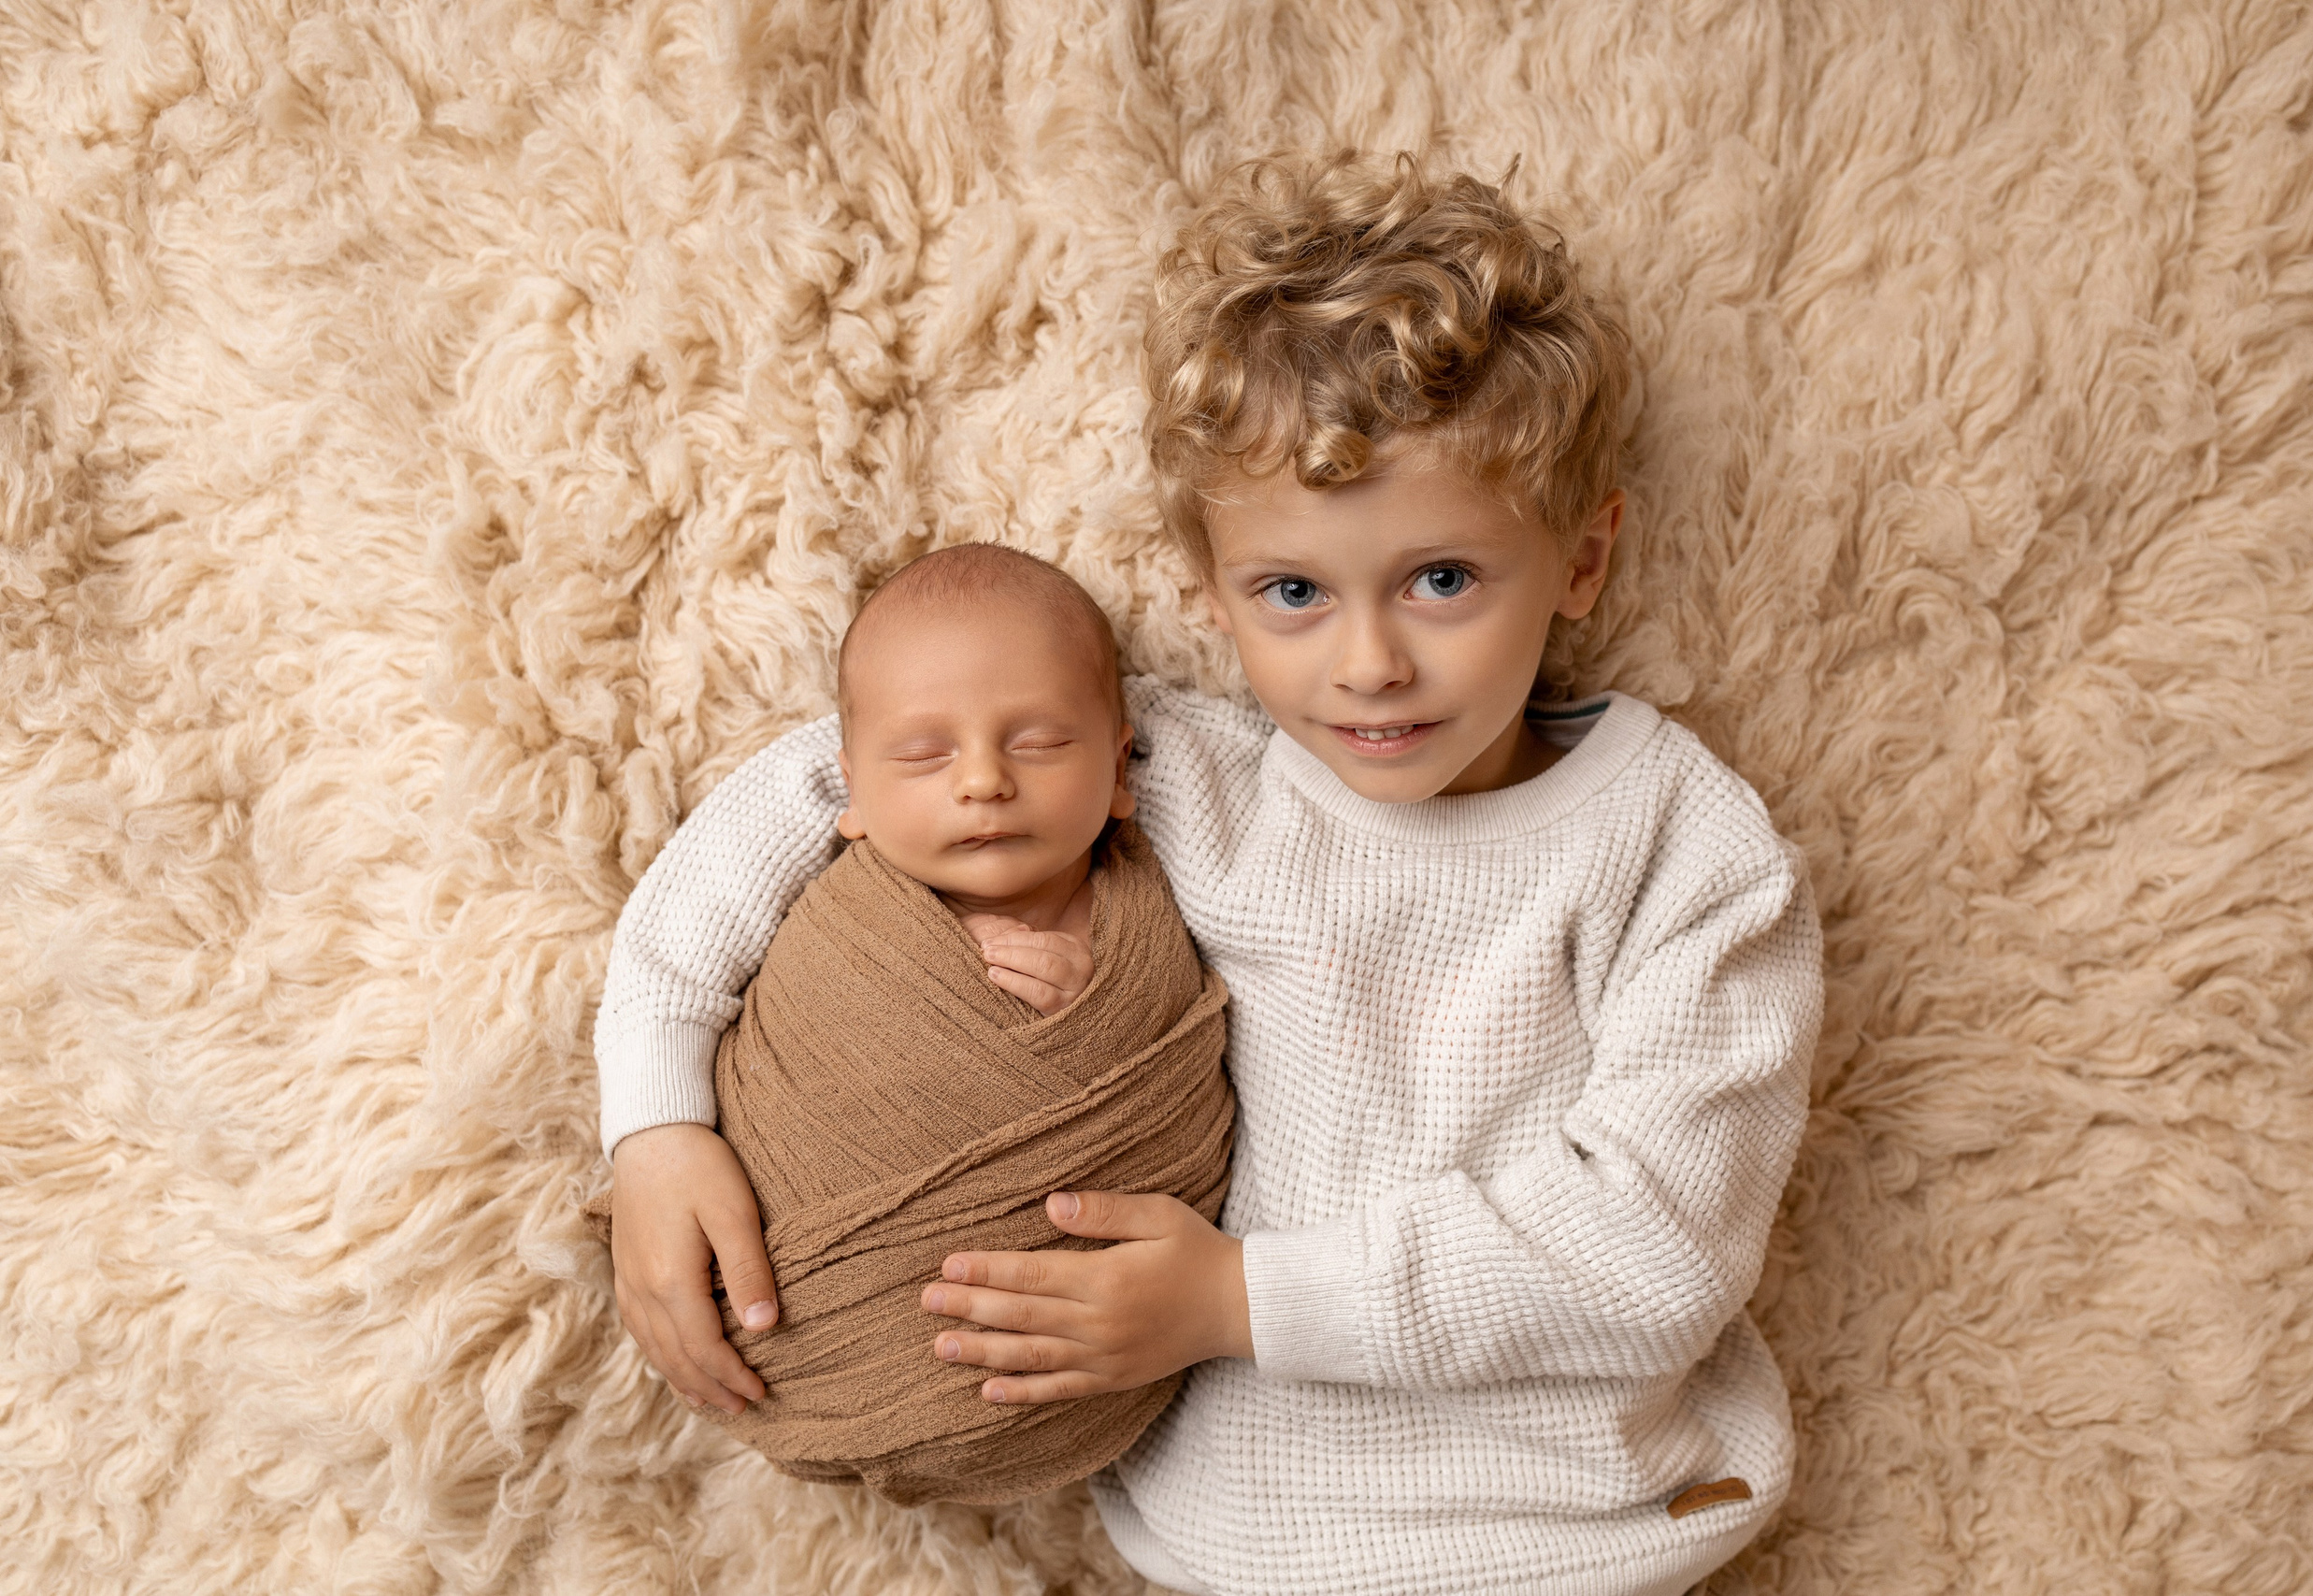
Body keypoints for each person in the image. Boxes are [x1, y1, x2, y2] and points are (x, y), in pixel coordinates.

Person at [596, 152, 1822, 1596]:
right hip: (1235, 1538)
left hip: (1566, 1533)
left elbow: (1655, 1243)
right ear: (1208, 586)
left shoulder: (1685, 851)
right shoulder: (1186, 776)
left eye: (1442, 579)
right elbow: (840, 771)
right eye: (1294, 593)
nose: (1369, 662)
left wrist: (1239, 1297)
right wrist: (655, 1116)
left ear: (1583, 558)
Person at [588, 543, 1234, 1504]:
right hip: (789, 1336)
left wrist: (1111, 1006)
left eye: (1040, 743)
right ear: (849, 792)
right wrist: (655, 1133)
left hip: (1101, 1370)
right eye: (925, 754)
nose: (982, 781)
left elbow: (1190, 1070)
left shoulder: (1157, 901)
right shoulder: (824, 896)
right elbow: (673, 959)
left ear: (1121, 765)